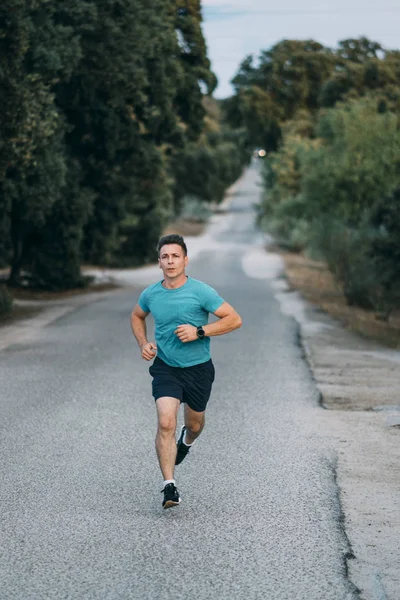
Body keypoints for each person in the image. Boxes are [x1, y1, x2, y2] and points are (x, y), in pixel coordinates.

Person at [131, 234, 242, 509]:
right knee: (165, 422)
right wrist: (144, 343)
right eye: (165, 257)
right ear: (159, 263)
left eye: (175, 256)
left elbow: (234, 319)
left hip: (198, 370)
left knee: (194, 424)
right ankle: (170, 487)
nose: (170, 261)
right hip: (166, 368)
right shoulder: (151, 294)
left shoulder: (201, 292)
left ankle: (187, 441)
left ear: (185, 260)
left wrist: (200, 331)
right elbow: (136, 315)